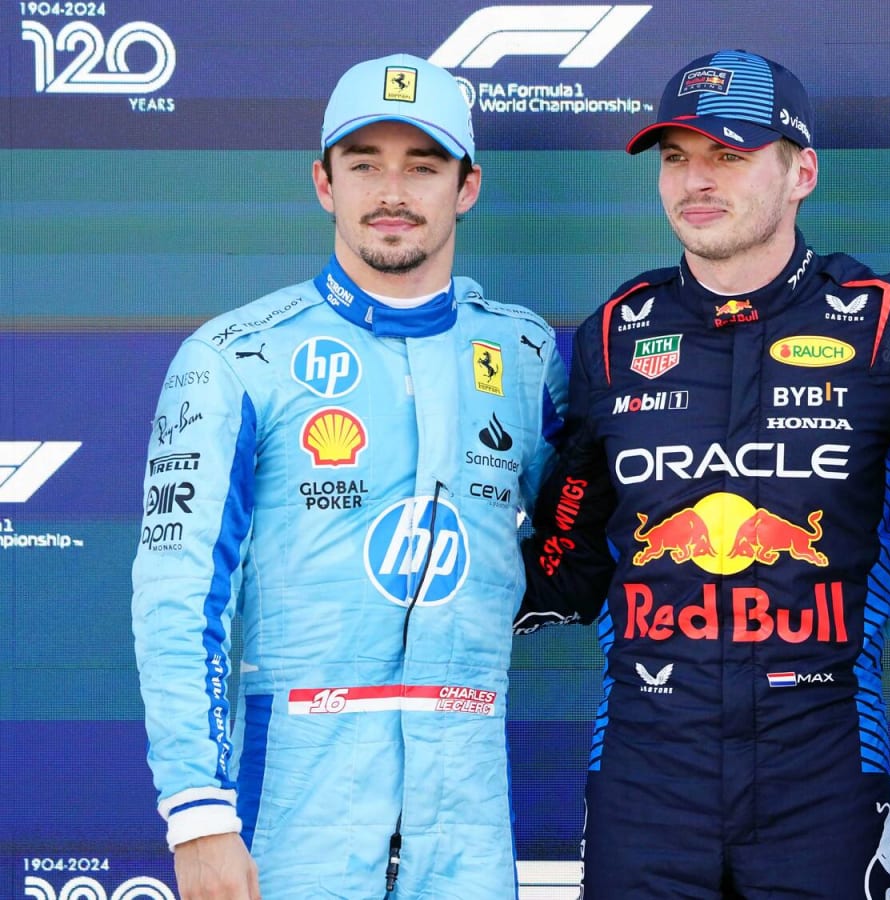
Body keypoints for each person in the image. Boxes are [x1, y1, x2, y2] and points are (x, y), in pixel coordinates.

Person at [515, 49, 890, 899]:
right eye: (676, 158)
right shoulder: (612, 331)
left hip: (823, 768)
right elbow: (572, 532)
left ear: (801, 172)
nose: (695, 181)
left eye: (730, 154)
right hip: (646, 772)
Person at [130, 53, 567, 900]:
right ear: (325, 184)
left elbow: (590, 534)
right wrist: (197, 811)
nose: (392, 192)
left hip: (466, 797)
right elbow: (180, 597)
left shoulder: (525, 355)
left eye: (423, 166)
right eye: (364, 164)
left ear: (467, 187)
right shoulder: (235, 358)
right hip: (293, 798)